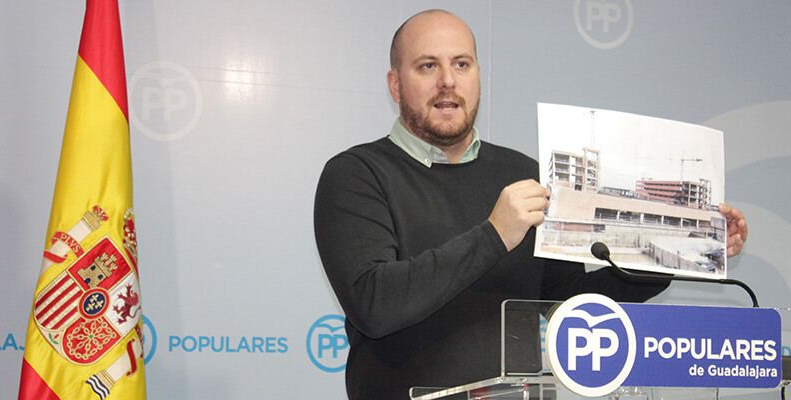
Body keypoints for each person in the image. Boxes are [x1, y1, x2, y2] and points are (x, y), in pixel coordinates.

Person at [313, 9, 748, 400]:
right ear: (395, 84)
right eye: (428, 65)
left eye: (461, 64)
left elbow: (569, 300)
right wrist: (494, 235)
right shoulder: (356, 175)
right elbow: (374, 304)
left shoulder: (522, 173)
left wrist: (680, 250)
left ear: (478, 75)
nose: (448, 80)